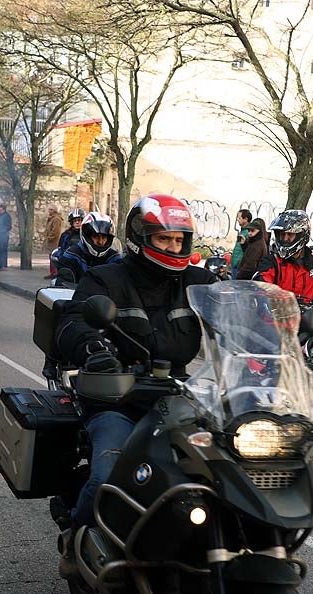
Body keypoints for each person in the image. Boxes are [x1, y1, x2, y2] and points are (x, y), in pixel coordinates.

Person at [53, 195, 218, 559]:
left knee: (225, 471)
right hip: (117, 395)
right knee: (107, 476)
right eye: (163, 239)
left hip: (178, 396)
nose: (173, 247)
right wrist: (94, 350)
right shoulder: (107, 278)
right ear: (139, 237)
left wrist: (275, 334)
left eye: (179, 240)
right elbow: (74, 320)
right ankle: (76, 541)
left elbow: (236, 319)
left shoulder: (199, 282)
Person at [54, 211, 121, 286]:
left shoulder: (115, 259)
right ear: (87, 236)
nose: (100, 241)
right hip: (77, 296)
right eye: (96, 237)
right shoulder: (71, 256)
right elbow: (63, 285)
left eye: (104, 237)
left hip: (107, 297)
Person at [0, 203, 12, 270]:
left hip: (4, 236)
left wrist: (2, 231)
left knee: (3, 250)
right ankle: (0, 265)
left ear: (2, 208)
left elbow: (9, 226)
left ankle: (4, 265)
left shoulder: (7, 216)